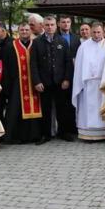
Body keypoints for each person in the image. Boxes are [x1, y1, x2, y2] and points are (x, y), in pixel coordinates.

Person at [30, 16, 74, 145]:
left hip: (60, 82)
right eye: (47, 25)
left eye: (52, 25)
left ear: (56, 26)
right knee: (45, 109)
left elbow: (68, 62)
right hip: (44, 83)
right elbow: (33, 63)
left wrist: (67, 79)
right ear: (43, 26)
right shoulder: (37, 42)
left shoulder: (62, 41)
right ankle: (45, 134)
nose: (50, 27)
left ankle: (63, 132)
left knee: (63, 108)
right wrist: (37, 81)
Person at [1, 23, 42, 144]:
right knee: (15, 109)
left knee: (36, 108)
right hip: (16, 84)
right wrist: (7, 86)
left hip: (34, 83)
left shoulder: (36, 45)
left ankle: (35, 135)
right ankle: (15, 136)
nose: (24, 32)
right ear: (18, 31)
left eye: (27, 30)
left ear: (31, 31)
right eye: (22, 30)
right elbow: (6, 68)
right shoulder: (10, 46)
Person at [72, 22, 105, 141]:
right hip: (87, 84)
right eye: (94, 32)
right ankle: (88, 134)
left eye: (99, 32)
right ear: (91, 32)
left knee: (102, 107)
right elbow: (78, 67)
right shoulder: (83, 46)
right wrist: (80, 82)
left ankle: (104, 133)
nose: (96, 34)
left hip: (103, 83)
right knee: (88, 109)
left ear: (103, 32)